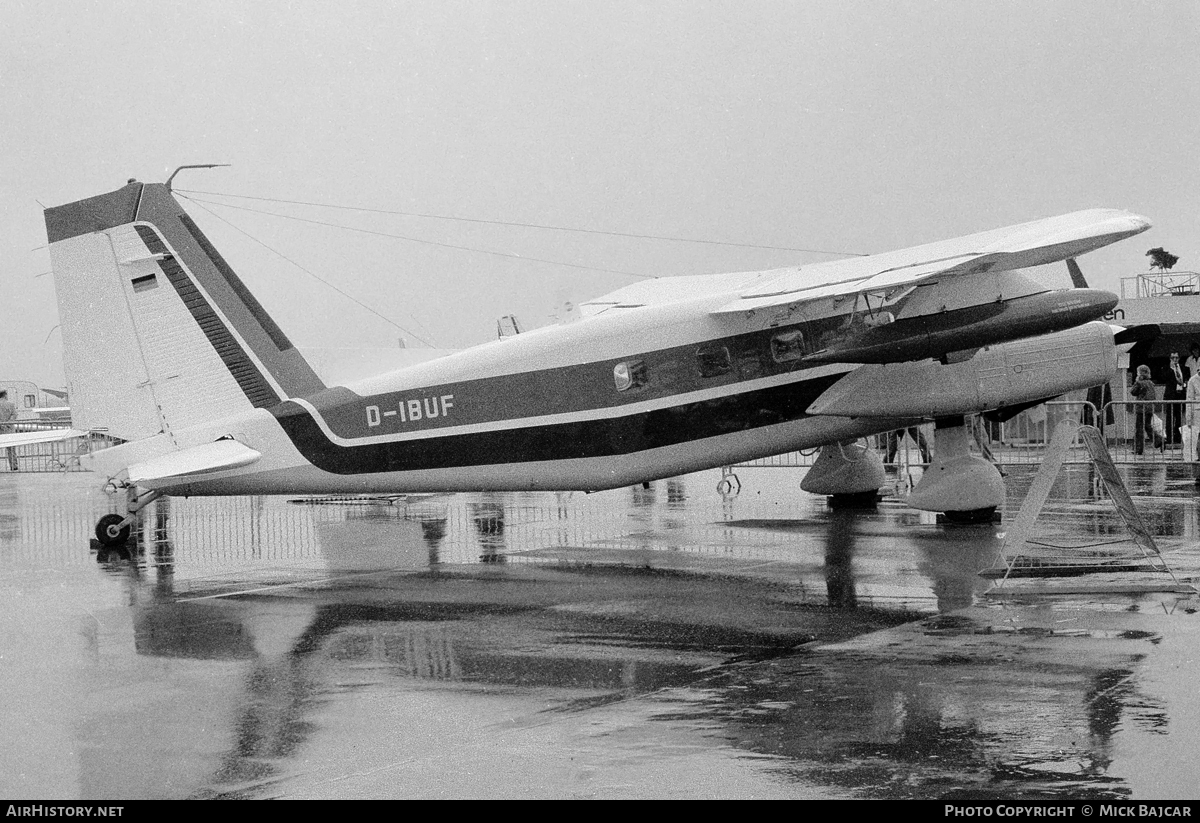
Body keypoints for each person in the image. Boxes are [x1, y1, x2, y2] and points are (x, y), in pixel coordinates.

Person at [1129, 365, 1158, 456]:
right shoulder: (1150, 383)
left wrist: (1136, 381)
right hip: (1149, 408)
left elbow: (1133, 392)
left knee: (1139, 429)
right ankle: (1158, 441)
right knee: (1147, 426)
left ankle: (1139, 448)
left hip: (1141, 408)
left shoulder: (1140, 383)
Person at [1162, 352, 1188, 446]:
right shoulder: (1167, 368)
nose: (1175, 359)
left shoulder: (1184, 368)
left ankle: (1178, 437)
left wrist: (1184, 386)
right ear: (1170, 358)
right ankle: (1169, 438)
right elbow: (1164, 378)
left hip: (1180, 394)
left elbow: (1185, 379)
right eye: (1173, 358)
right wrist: (1172, 369)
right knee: (1170, 418)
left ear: (1179, 358)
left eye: (1176, 357)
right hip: (1171, 395)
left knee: (1179, 418)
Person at [1187, 369, 1200, 483]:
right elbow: (1189, 399)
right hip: (1197, 414)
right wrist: (1189, 419)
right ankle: (1198, 474)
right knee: (1197, 444)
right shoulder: (1193, 380)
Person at [0, 390, 17, 471]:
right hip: (9, 430)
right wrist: (8, 424)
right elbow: (14, 415)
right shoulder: (11, 404)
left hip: (0, 430)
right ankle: (13, 465)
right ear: (5, 395)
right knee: (11, 449)